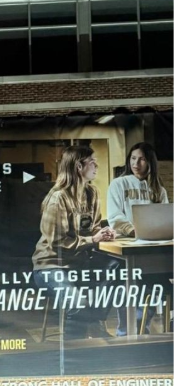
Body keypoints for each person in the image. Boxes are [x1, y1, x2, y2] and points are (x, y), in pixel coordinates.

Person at [32, 145, 119, 340]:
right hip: (51, 266)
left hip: (80, 264)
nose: (96, 166)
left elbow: (93, 227)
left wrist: (103, 233)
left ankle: (93, 320)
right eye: (92, 162)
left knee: (117, 266)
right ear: (79, 167)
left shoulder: (92, 193)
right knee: (77, 303)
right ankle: (76, 349)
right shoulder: (58, 198)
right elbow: (58, 242)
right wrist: (93, 239)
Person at [108, 142, 169, 335]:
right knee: (128, 285)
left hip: (152, 247)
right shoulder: (119, 184)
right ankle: (126, 332)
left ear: (150, 162)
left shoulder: (159, 189)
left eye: (141, 159)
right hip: (126, 248)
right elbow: (115, 217)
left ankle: (143, 330)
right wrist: (134, 230)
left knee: (154, 285)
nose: (136, 163)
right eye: (133, 158)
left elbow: (164, 218)